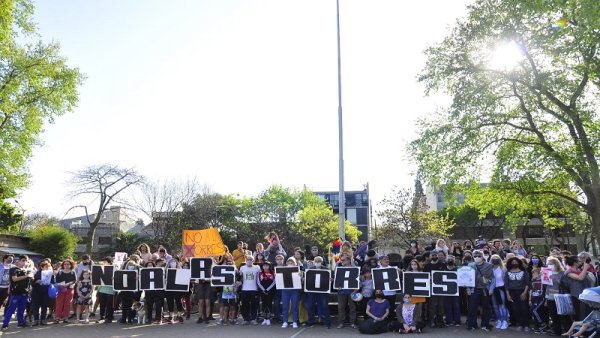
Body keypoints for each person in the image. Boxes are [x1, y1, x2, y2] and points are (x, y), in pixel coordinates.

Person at [1, 255, 33, 330]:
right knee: (11, 309)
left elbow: (30, 280)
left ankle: (20, 323)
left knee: (21, 309)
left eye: (26, 261)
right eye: (23, 260)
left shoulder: (27, 270)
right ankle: (5, 325)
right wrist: (27, 276)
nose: (25, 262)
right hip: (15, 293)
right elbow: (14, 279)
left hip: (25, 293)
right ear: (18, 261)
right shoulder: (13, 269)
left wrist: (31, 276)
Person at [467, 250, 494, 331]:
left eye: (479, 256)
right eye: (475, 256)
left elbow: (492, 278)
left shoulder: (489, 265)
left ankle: (485, 325)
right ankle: (472, 325)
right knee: (472, 308)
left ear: (482, 257)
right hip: (474, 289)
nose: (477, 258)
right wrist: (468, 288)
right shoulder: (470, 265)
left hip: (485, 289)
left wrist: (491, 288)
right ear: (473, 257)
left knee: (486, 308)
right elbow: (467, 278)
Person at [304, 256, 331, 328]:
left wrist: (331, 279)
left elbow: (331, 279)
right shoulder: (310, 269)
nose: (317, 262)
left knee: (325, 306)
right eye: (316, 261)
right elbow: (307, 280)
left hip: (323, 291)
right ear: (314, 261)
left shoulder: (326, 269)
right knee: (310, 306)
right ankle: (311, 322)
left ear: (322, 262)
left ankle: (327, 322)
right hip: (312, 291)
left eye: (319, 261)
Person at [505, 256, 531, 331]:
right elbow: (506, 285)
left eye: (516, 262)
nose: (514, 263)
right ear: (510, 263)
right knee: (516, 309)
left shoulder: (524, 271)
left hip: (522, 291)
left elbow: (527, 283)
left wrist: (525, 293)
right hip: (512, 293)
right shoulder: (508, 272)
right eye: (513, 262)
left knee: (524, 308)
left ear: (519, 263)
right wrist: (508, 295)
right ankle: (520, 324)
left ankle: (526, 325)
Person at [562, 255, 592, 321]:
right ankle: (579, 330)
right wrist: (585, 268)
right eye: (579, 261)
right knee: (580, 316)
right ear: (575, 263)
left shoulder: (581, 270)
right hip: (577, 296)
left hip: (586, 296)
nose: (581, 262)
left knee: (587, 314)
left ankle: (587, 330)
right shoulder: (568, 272)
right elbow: (580, 278)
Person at [336, 256, 358, 329]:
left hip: (352, 291)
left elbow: (357, 281)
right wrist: (335, 284)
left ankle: (352, 322)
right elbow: (337, 280)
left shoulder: (355, 269)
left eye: (343, 260)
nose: (342, 261)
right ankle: (341, 322)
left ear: (349, 261)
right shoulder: (339, 269)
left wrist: (355, 291)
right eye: (341, 260)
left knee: (353, 308)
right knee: (341, 307)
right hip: (341, 292)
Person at [31, 260, 54, 326]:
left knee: (44, 306)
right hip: (36, 292)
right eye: (46, 267)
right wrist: (36, 281)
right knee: (36, 306)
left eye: (49, 267)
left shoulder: (50, 274)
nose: (48, 268)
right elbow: (32, 283)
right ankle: (36, 320)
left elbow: (53, 282)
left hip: (46, 292)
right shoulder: (36, 273)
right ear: (42, 267)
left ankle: (43, 319)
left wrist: (52, 280)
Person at [489, 254, 508, 330]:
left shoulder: (503, 268)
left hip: (501, 289)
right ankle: (499, 320)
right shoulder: (490, 269)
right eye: (493, 259)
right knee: (495, 307)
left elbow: (506, 280)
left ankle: (505, 321)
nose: (495, 260)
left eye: (497, 259)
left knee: (502, 306)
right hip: (493, 289)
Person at [239, 255, 260, 325]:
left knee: (254, 305)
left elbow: (259, 278)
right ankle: (246, 319)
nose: (249, 261)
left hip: (254, 289)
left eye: (251, 259)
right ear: (245, 260)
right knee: (245, 305)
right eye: (248, 259)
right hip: (244, 289)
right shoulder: (242, 268)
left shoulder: (257, 268)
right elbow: (240, 277)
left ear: (253, 260)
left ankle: (254, 319)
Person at [280, 257, 301, 328]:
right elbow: (279, 280)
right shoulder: (282, 270)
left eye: (291, 262)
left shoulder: (298, 271)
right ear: (286, 263)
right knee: (285, 307)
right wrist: (277, 276)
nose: (290, 264)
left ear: (295, 263)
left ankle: (295, 321)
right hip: (285, 291)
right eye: (288, 262)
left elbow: (301, 281)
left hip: (295, 291)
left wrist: (300, 276)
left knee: (294, 306)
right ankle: (285, 321)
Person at [55, 258, 77, 323]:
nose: (66, 265)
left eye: (68, 264)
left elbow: (74, 280)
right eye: (65, 264)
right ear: (63, 265)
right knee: (59, 303)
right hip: (60, 289)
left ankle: (65, 317)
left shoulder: (73, 272)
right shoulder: (60, 272)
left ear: (71, 265)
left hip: (69, 289)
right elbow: (56, 281)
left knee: (67, 303)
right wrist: (60, 284)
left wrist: (69, 283)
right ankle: (57, 317)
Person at [194, 257, 214, 324]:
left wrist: (207, 279)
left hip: (208, 284)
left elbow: (213, 276)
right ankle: (200, 317)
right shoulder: (199, 264)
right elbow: (195, 274)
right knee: (201, 302)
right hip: (200, 284)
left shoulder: (211, 264)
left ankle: (207, 318)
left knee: (207, 302)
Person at [96, 257, 115, 324]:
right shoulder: (100, 269)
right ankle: (102, 317)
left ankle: (109, 318)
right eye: (103, 262)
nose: (103, 263)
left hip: (110, 291)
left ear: (109, 262)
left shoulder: (114, 269)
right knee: (102, 305)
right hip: (102, 290)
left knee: (110, 306)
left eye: (105, 262)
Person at [444, 255, 461, 327]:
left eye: (451, 259)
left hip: (456, 290)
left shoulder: (458, 270)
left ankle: (457, 321)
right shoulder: (443, 270)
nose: (450, 260)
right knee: (448, 305)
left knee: (456, 305)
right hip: (446, 291)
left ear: (454, 261)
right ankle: (449, 320)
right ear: (446, 261)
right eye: (449, 259)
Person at [530, 267, 548, 332]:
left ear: (539, 274)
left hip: (541, 298)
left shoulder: (544, 281)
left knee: (534, 310)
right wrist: (529, 299)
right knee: (535, 310)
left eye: (534, 273)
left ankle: (542, 323)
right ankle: (538, 325)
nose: (532, 275)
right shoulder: (532, 281)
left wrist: (546, 299)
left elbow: (546, 290)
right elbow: (531, 290)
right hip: (534, 298)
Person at [257, 261, 275, 326]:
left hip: (270, 291)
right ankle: (265, 319)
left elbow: (274, 282)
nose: (265, 267)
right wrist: (263, 289)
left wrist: (268, 289)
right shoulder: (260, 273)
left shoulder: (272, 273)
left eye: (267, 265)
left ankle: (269, 319)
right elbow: (258, 282)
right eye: (264, 265)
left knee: (269, 303)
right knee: (264, 304)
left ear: (269, 266)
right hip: (262, 291)